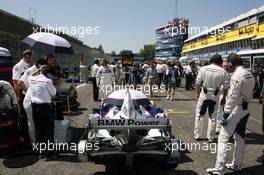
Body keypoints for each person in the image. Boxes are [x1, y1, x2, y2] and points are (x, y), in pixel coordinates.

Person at [207, 53, 255, 175]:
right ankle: (237, 164)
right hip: (246, 108)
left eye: (228, 64)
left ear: (232, 63)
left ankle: (219, 168)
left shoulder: (236, 76)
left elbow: (232, 97)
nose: (227, 66)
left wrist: (225, 114)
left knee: (223, 137)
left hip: (237, 109)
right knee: (239, 137)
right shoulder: (249, 74)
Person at [194, 54, 229, 143]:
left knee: (200, 115)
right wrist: (224, 98)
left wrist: (197, 92)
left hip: (204, 95)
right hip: (215, 96)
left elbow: (197, 82)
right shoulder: (223, 72)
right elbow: (226, 87)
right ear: (220, 61)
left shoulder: (203, 69)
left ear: (211, 60)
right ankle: (211, 137)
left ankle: (197, 135)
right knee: (212, 117)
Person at [28, 65, 57, 158]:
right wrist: (52, 81)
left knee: (38, 130)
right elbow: (53, 93)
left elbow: (33, 75)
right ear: (48, 74)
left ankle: (40, 152)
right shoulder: (47, 81)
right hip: (45, 108)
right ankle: (50, 153)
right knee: (49, 131)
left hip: (34, 106)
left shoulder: (31, 78)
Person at [12, 49, 32, 144]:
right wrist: (18, 97)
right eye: (31, 56)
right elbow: (16, 83)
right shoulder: (18, 67)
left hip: (28, 93)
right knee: (23, 116)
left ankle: (29, 135)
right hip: (22, 95)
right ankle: (25, 138)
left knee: (29, 116)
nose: (32, 58)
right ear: (27, 56)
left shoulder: (29, 66)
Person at [215, 59, 230, 134]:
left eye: (227, 66)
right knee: (219, 111)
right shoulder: (219, 74)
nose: (226, 67)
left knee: (228, 112)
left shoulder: (231, 74)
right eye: (224, 66)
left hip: (229, 96)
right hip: (220, 95)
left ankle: (226, 128)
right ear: (221, 66)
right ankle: (218, 128)